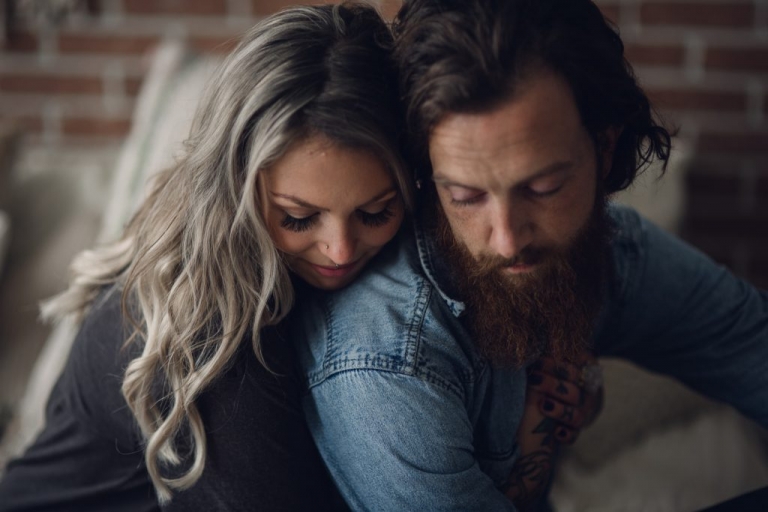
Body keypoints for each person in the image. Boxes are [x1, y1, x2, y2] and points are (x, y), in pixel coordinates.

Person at [285, 0, 768, 510]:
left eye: (544, 187)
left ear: (605, 150)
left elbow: (748, 341)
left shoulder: (605, 248)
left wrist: (584, 379)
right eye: (466, 196)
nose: (507, 239)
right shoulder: (387, 364)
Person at [0, 3, 414, 510]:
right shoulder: (210, 345)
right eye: (298, 218)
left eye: (375, 212)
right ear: (234, 193)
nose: (341, 250)